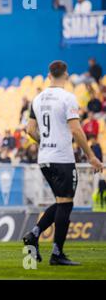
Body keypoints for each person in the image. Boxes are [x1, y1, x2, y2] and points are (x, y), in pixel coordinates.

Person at [23, 60, 103, 266]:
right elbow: (76, 130)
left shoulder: (38, 98)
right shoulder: (68, 98)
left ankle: (34, 234)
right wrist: (91, 157)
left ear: (49, 75)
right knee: (66, 204)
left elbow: (30, 130)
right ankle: (56, 253)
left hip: (45, 158)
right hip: (62, 157)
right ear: (66, 75)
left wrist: (45, 143)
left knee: (61, 202)